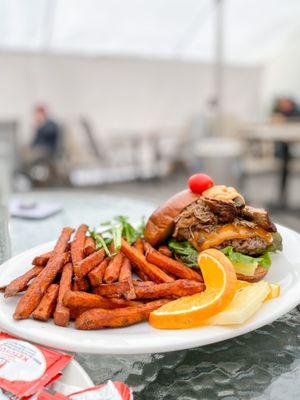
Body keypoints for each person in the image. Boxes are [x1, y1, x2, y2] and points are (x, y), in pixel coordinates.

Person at [20, 105, 61, 183]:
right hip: (39, 149)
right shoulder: (40, 125)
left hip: (48, 150)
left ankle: (31, 176)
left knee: (31, 156)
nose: (35, 117)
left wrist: (41, 125)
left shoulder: (50, 124)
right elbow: (34, 142)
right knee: (23, 153)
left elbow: (50, 133)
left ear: (42, 114)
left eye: (37, 114)